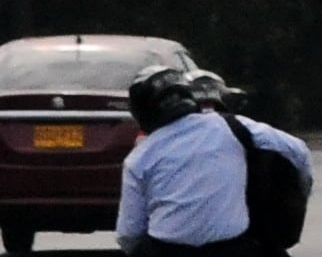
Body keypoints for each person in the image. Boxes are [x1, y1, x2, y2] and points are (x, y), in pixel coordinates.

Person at [115, 66, 311, 257]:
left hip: (166, 249)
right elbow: (298, 152)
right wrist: (298, 195)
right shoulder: (230, 127)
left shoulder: (139, 157)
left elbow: (129, 235)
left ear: (141, 110)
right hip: (234, 248)